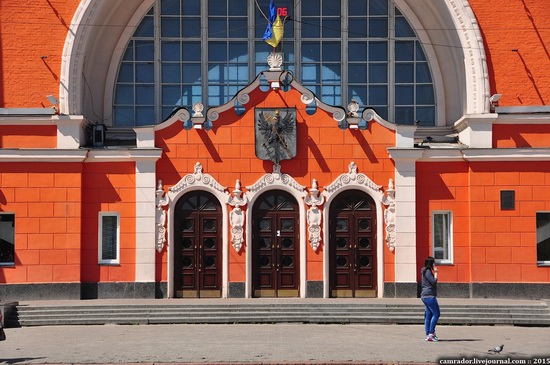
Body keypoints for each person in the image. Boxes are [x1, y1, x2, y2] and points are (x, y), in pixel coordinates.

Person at [420, 256, 440, 341]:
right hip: (429, 295)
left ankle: (428, 334)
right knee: (436, 314)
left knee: (428, 315)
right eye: (433, 262)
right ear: (431, 263)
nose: (434, 264)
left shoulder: (424, 271)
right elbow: (433, 282)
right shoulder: (428, 271)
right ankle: (431, 333)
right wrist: (436, 273)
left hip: (425, 295)